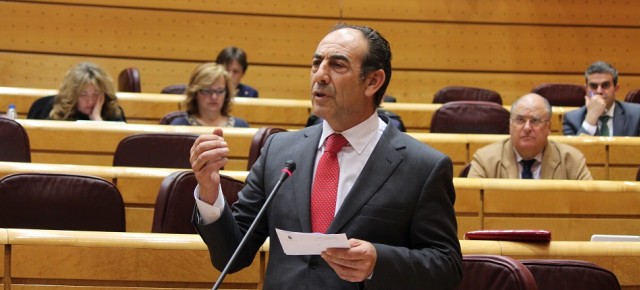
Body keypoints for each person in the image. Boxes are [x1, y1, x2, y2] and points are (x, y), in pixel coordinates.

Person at [190, 24, 462, 289]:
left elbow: (447, 266)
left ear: (373, 81)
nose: (320, 75)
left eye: (337, 65)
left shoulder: (422, 166)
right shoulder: (278, 150)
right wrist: (210, 191)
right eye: (316, 63)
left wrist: (378, 262)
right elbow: (232, 255)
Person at [468, 93, 592, 179]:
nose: (527, 128)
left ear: (549, 127)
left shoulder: (572, 161)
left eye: (535, 121)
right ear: (510, 125)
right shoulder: (484, 160)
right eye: (520, 120)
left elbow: (590, 208)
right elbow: (471, 208)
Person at [27, 62, 126, 121]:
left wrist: (97, 119)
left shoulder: (113, 112)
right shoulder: (53, 108)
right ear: (72, 94)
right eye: (83, 94)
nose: (90, 101)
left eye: (96, 94)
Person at [563, 61, 640, 136]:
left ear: (616, 89)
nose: (599, 91)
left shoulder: (636, 115)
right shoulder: (572, 119)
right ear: (586, 90)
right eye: (593, 86)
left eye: (605, 85)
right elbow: (572, 149)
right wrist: (590, 119)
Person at [169, 63, 249, 127]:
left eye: (220, 91)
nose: (214, 97)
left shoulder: (241, 126)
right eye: (207, 91)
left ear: (227, 94)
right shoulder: (179, 126)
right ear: (195, 93)